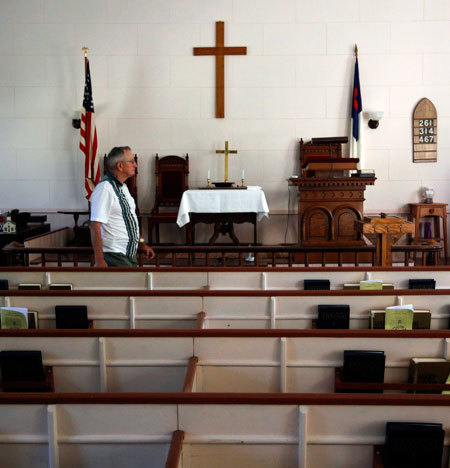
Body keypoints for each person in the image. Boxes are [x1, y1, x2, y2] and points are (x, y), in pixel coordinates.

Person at [90, 146, 155, 267]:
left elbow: (130, 222)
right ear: (120, 166)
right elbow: (95, 226)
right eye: (131, 162)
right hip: (114, 255)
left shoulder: (123, 188)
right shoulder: (105, 189)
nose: (135, 165)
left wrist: (142, 244)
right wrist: (99, 260)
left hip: (127, 254)